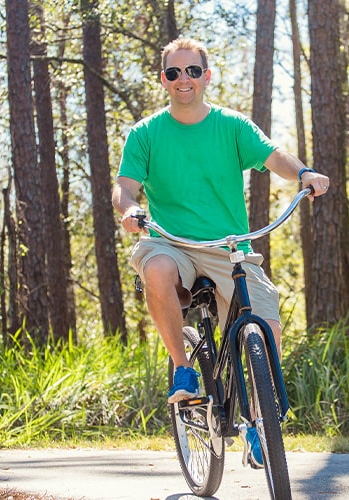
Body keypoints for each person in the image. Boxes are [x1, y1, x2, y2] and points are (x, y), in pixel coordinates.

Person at [113, 38, 330, 466]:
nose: (184, 80)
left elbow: (274, 157)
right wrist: (131, 209)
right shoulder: (145, 133)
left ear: (206, 76)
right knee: (154, 268)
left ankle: (258, 425)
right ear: (164, 80)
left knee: (266, 326)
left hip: (228, 246)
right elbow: (124, 187)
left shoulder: (232, 126)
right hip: (170, 242)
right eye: (174, 73)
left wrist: (303, 172)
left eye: (192, 71)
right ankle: (183, 367)